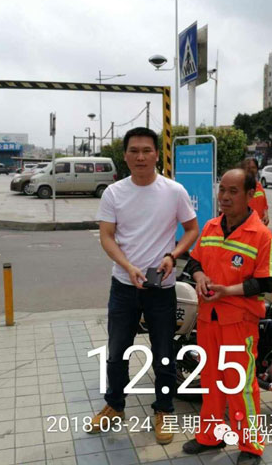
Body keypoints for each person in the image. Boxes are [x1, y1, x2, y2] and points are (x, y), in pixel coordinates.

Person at [91, 127, 199, 445]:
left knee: (164, 352)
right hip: (124, 286)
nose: (140, 156)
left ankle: (164, 409)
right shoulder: (114, 193)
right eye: (134, 151)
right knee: (117, 350)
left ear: (157, 155)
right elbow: (106, 236)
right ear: (125, 156)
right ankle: (114, 405)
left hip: (161, 288)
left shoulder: (174, 191)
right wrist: (128, 267)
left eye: (146, 150)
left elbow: (192, 229)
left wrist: (172, 256)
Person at [182, 168, 272, 465]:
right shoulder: (211, 227)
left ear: (250, 195)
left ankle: (251, 445)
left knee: (239, 384)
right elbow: (193, 263)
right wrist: (199, 277)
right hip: (208, 319)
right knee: (211, 380)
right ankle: (210, 436)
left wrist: (228, 291)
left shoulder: (261, 235)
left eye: (233, 191)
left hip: (239, 322)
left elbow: (266, 282)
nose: (224, 196)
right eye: (222, 189)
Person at [242, 158, 269, 225]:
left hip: (259, 224)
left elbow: (264, 205)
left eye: (253, 167)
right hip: (245, 224)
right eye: (248, 167)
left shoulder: (259, 186)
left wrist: (266, 215)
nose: (251, 170)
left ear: (257, 170)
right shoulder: (239, 185)